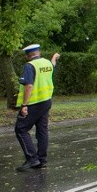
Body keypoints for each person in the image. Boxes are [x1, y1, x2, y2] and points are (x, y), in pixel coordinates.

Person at [14, 44, 60, 172]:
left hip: (33, 103)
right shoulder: (46, 63)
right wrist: (54, 57)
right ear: (38, 52)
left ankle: (32, 159)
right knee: (42, 130)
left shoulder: (30, 66)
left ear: (28, 55)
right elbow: (52, 65)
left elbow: (29, 86)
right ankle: (42, 160)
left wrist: (24, 105)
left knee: (21, 129)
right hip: (46, 101)